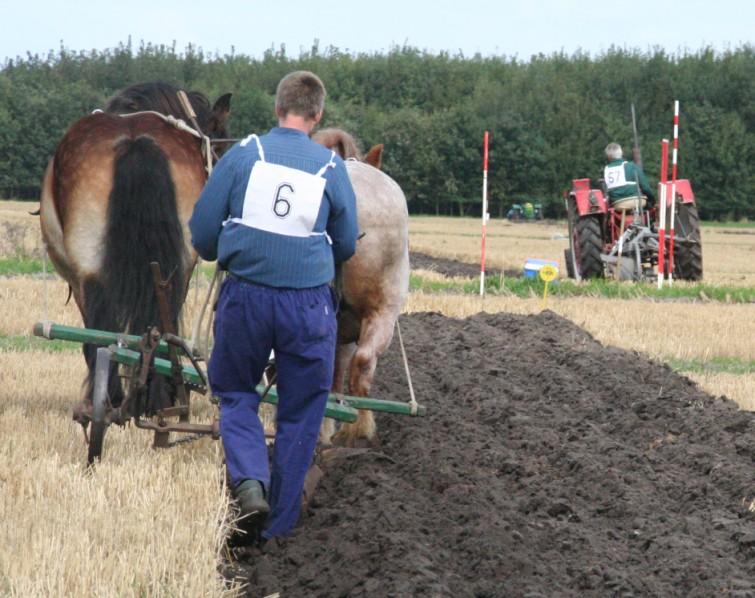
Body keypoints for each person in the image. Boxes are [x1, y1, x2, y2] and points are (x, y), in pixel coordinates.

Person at [189, 71, 358, 541]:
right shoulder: (331, 167)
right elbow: (345, 244)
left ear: (277, 108)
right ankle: (280, 531)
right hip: (308, 308)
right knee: (302, 409)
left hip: (245, 299)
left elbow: (202, 233)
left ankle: (249, 482)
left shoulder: (245, 154)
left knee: (236, 391)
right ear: (318, 115)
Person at [603, 142, 655, 210]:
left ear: (608, 156)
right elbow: (645, 187)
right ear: (621, 153)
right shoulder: (631, 166)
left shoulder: (606, 169)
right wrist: (652, 200)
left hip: (617, 204)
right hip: (635, 201)